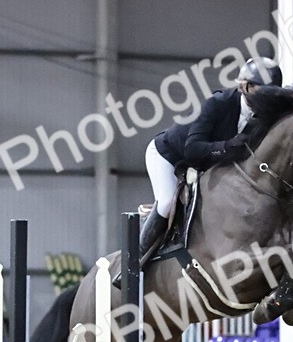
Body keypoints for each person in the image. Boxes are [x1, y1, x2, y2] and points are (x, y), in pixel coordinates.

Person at [113, 57, 283, 286]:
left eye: (274, 97)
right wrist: (228, 146)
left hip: (206, 164)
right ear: (246, 87)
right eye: (265, 95)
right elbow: (193, 149)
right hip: (169, 155)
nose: (269, 103)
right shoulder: (219, 104)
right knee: (165, 202)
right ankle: (132, 265)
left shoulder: (264, 116)